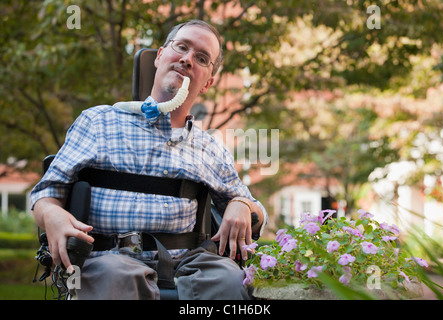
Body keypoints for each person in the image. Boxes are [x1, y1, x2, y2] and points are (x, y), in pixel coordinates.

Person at [30, 19, 268, 300]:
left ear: (208, 83)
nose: (187, 59)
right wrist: (51, 214)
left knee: (231, 282)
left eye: (202, 58)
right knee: (115, 277)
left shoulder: (210, 148)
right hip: (110, 259)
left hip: (189, 264)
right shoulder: (98, 122)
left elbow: (257, 212)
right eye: (181, 47)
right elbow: (45, 194)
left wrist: (242, 204)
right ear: (159, 56)